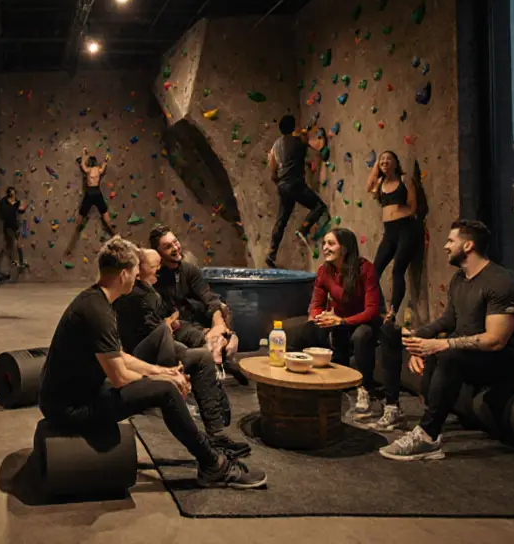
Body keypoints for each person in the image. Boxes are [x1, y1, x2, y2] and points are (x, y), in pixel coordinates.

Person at [38, 237, 266, 489]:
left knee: (165, 382)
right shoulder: (97, 312)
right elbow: (120, 378)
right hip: (70, 409)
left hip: (78, 395)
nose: (137, 276)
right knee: (165, 392)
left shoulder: (96, 300)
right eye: (135, 270)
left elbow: (119, 356)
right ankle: (213, 466)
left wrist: (161, 370)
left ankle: (212, 448)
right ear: (124, 273)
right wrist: (166, 379)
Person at [378, 220, 514, 461]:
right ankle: (393, 408)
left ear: (468, 245)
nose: (445, 246)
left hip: (499, 360)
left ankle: (428, 437)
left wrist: (441, 344)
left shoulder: (501, 281)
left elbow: (496, 341)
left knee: (448, 355)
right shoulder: (460, 279)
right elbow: (448, 320)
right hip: (466, 353)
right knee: (390, 333)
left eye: (450, 241)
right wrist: (417, 339)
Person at [113, 248, 249, 458]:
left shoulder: (151, 290)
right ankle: (182, 372)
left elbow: (170, 320)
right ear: (138, 270)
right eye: (155, 265)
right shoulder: (137, 294)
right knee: (174, 340)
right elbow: (158, 332)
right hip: (139, 357)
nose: (160, 269)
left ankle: (217, 435)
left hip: (158, 346)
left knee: (201, 356)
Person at [295, 229, 383, 416]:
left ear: (344, 248)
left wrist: (342, 321)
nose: (325, 248)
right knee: (310, 328)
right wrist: (318, 317)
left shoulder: (365, 269)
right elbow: (316, 304)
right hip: (339, 322)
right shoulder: (324, 271)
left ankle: (365, 389)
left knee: (361, 335)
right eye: (324, 243)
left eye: (331, 244)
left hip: (365, 322)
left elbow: (372, 310)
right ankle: (308, 379)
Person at [149, 224, 248, 385]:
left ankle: (219, 351)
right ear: (158, 252)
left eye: (175, 242)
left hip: (196, 319)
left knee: (222, 311)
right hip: (176, 325)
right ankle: (221, 356)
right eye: (168, 246)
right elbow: (167, 315)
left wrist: (218, 325)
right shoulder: (155, 277)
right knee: (194, 331)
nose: (175, 248)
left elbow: (209, 298)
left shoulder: (188, 270)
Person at [366, 150, 423, 322]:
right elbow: (368, 187)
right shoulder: (380, 183)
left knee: (398, 270)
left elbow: (413, 206)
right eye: (382, 160)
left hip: (405, 229)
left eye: (388, 159)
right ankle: (381, 308)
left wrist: (400, 211)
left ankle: (393, 312)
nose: (385, 162)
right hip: (389, 232)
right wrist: (376, 166)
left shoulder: (404, 181)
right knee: (374, 271)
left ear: (396, 163)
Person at [266, 115, 329, 267]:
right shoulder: (299, 139)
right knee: (319, 206)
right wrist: (321, 135)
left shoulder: (275, 146)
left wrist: (280, 182)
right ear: (294, 126)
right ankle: (304, 228)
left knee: (282, 219)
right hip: (296, 183)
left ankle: (271, 253)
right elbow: (319, 145)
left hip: (283, 186)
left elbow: (272, 171)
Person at [64, 148, 115, 253]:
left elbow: (82, 165)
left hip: (90, 193)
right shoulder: (98, 170)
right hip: (97, 192)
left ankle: (78, 227)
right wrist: (106, 160)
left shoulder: (88, 170)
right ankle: (112, 231)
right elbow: (103, 167)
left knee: (82, 213)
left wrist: (83, 155)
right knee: (104, 213)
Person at [0, 187, 27, 277]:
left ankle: (21, 264)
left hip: (15, 226)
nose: (13, 194)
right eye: (12, 193)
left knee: (18, 245)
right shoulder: (4, 201)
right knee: (12, 245)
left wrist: (22, 207)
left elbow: (20, 210)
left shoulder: (16, 203)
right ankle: (5, 265)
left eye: (14, 193)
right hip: (8, 226)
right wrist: (3, 218)